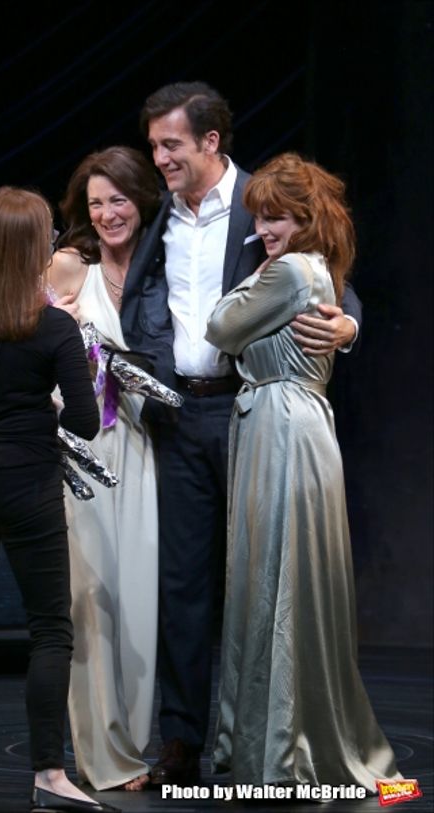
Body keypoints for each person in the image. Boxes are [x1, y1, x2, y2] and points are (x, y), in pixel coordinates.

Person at [119, 81, 362, 786]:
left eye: (171, 144)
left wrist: (346, 326)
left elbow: (330, 280)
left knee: (259, 582)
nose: (159, 157)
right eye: (155, 144)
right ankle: (184, 740)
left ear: (210, 142)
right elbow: (142, 298)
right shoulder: (160, 214)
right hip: (179, 416)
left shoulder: (264, 202)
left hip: (248, 410)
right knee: (184, 585)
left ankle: (259, 737)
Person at [205, 152, 402, 790]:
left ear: (307, 219)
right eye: (260, 218)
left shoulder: (290, 269)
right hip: (294, 421)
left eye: (278, 218)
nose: (265, 230)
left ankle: (284, 751)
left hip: (281, 423)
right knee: (283, 580)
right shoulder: (314, 269)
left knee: (278, 580)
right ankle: (283, 742)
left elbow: (220, 327)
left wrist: (262, 277)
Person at [0, 186, 119, 813]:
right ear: (38, 249)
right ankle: (48, 775)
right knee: (50, 631)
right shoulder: (54, 325)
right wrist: (72, 359)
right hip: (23, 481)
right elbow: (86, 423)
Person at [47, 146, 161, 792]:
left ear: (140, 197)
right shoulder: (72, 265)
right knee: (93, 602)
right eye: (96, 202)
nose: (108, 212)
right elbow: (29, 336)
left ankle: (139, 741)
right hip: (84, 451)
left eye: (118, 198)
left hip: (144, 449)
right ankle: (104, 756)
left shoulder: (159, 263)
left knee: (140, 600)